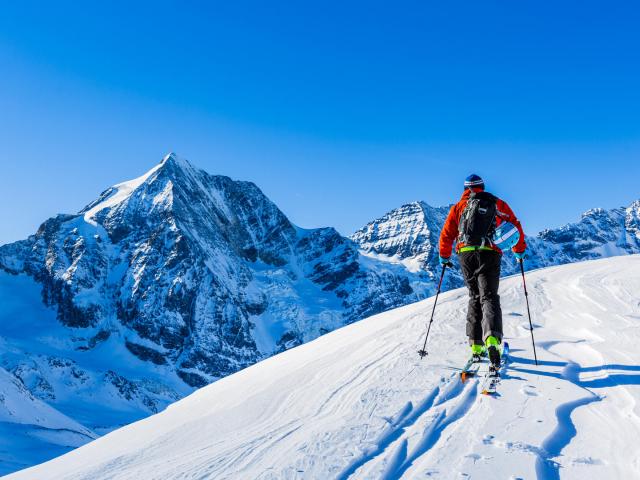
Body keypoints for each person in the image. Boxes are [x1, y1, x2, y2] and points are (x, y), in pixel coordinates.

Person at [438, 174, 527, 370]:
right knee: (489, 296)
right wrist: (519, 250)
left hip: (466, 254)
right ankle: (493, 341)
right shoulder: (496, 203)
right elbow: (515, 225)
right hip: (489, 252)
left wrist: (444, 257)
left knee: (474, 297)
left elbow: (447, 234)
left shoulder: (458, 207)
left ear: (464, 190)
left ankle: (476, 345)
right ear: (483, 187)